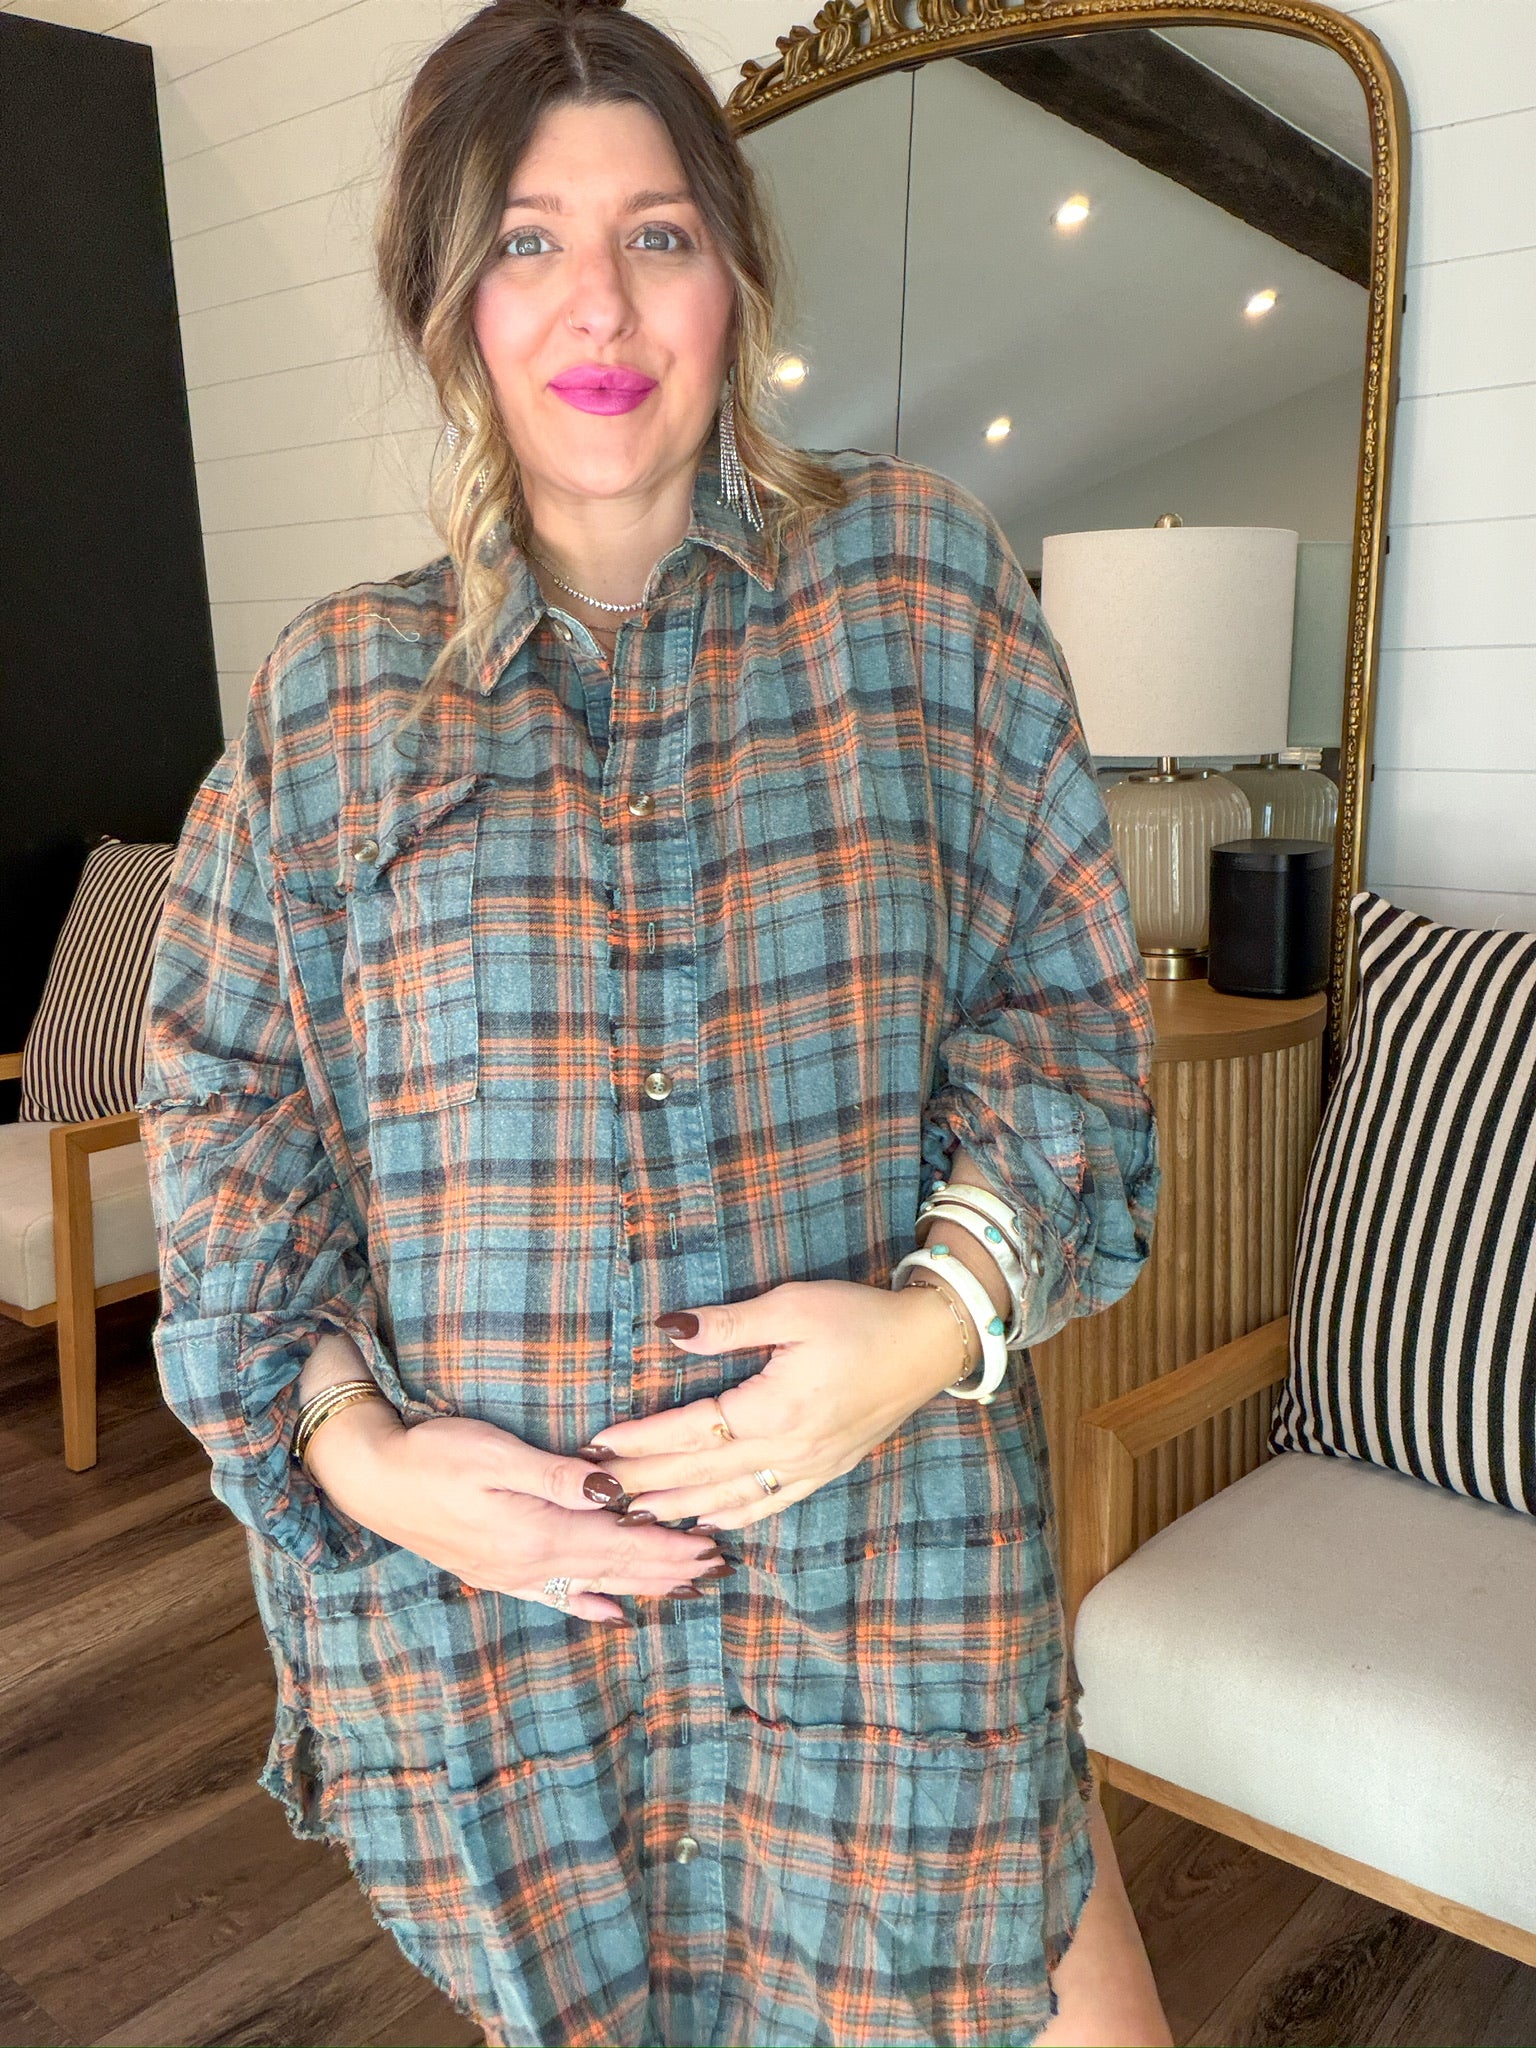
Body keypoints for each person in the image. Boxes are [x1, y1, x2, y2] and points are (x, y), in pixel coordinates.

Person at [137, 2, 1169, 2043]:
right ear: (447, 301)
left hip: (883, 1572)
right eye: (527, 240)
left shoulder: (919, 588)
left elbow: (1067, 1021)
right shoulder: (336, 698)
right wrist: (354, 1450)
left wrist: (935, 1323)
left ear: (735, 277)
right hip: (508, 1638)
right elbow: (226, 1109)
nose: (597, 302)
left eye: (659, 234)